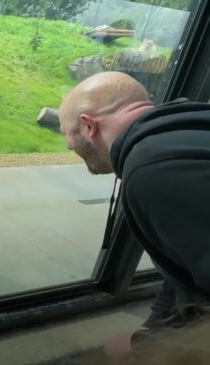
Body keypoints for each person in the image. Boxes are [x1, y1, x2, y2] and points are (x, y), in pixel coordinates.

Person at [58, 71, 210, 360]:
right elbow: (183, 267)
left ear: (89, 125)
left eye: (70, 135)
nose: (69, 146)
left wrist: (153, 348)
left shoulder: (154, 171)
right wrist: (152, 331)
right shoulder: (187, 132)